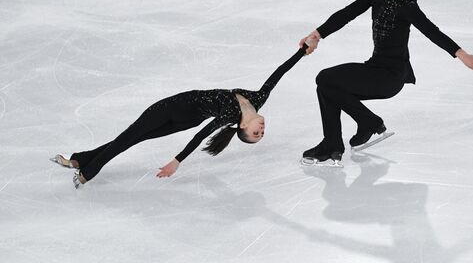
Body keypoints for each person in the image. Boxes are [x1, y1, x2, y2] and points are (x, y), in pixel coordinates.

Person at [299, 0, 473, 166]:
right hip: (374, 67)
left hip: (391, 77)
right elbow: (347, 13)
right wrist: (317, 34)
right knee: (325, 84)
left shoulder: (406, 5)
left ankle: (368, 123)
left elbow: (431, 31)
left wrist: (461, 54)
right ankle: (336, 141)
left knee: (326, 79)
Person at [51, 44, 309, 188]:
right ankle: (80, 159)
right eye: (262, 133)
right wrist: (302, 51)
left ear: (242, 127)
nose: (261, 130)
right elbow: (279, 73)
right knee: (130, 138)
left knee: (130, 137)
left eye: (256, 134)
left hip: (175, 113)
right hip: (178, 113)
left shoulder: (230, 114)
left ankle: (87, 172)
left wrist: (177, 161)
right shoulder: (259, 98)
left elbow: (201, 136)